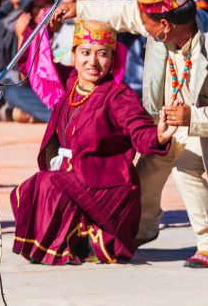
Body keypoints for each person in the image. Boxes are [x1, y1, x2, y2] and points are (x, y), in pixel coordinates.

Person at [55, 0, 208, 268]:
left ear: (165, 26)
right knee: (144, 175)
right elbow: (123, 13)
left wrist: (193, 116)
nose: (142, 26)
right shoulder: (167, 25)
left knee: (185, 169)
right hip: (170, 122)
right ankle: (141, 231)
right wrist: (77, 7)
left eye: (147, 24)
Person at [12, 19, 175, 264]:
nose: (93, 62)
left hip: (106, 186)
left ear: (112, 58)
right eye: (85, 53)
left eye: (102, 54)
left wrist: (158, 135)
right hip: (72, 174)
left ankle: (84, 240)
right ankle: (65, 241)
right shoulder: (69, 82)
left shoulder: (118, 95)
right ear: (74, 55)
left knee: (46, 184)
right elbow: (34, 64)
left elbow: (140, 130)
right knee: (31, 189)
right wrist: (46, 29)